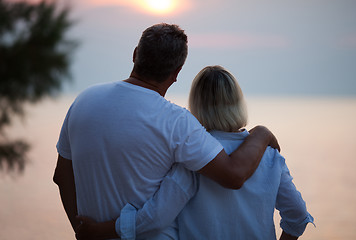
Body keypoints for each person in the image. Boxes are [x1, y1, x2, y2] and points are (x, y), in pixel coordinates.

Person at [53, 23, 279, 239]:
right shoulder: (176, 121)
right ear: (177, 72)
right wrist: (262, 133)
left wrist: (82, 230)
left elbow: (62, 176)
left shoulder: (84, 101)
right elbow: (234, 175)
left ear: (135, 54)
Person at [75, 66, 314, 240]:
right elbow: (297, 216)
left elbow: (155, 218)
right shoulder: (270, 157)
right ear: (238, 103)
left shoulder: (194, 160)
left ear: (196, 104)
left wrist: (101, 231)